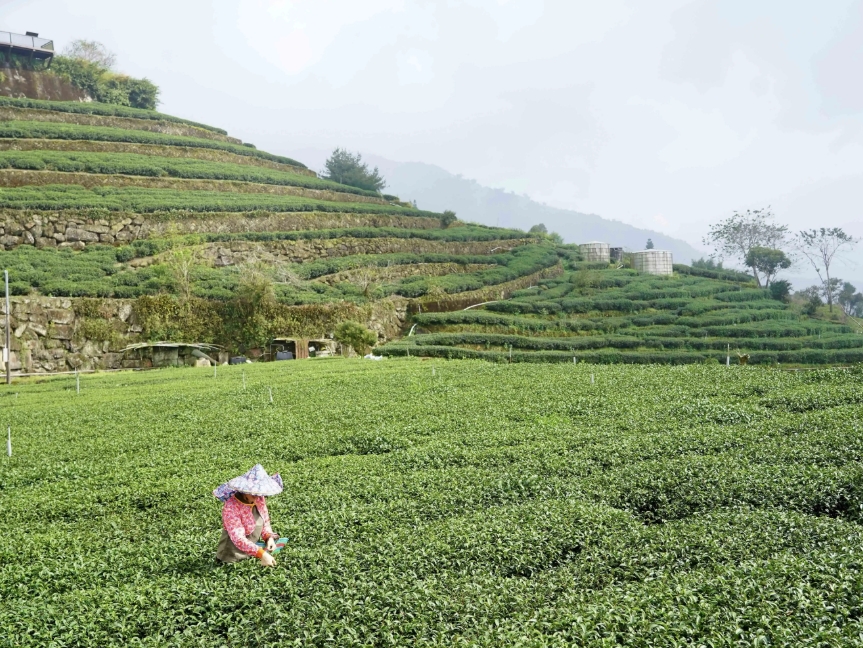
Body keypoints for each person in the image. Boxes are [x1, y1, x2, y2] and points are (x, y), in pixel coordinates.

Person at [213, 464, 283, 567]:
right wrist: (261, 554)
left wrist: (269, 538)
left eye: (259, 493)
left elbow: (265, 521)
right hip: (231, 557)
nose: (257, 496)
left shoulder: (259, 498)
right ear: (244, 490)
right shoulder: (231, 507)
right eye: (253, 493)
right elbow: (238, 538)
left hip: (252, 553)